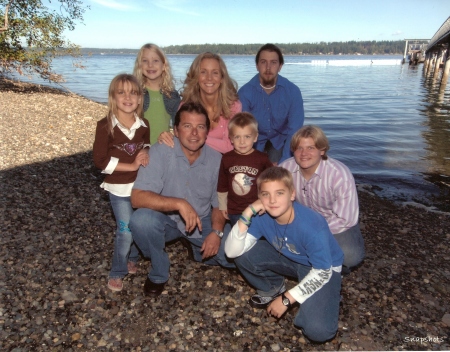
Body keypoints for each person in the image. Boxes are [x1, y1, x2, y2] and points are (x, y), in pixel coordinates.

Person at [225, 167, 344, 342]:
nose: (272, 200)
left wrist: (287, 299)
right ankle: (272, 287)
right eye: (265, 194)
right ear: (259, 197)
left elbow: (323, 271)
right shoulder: (260, 216)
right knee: (243, 253)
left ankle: (329, 294)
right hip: (288, 255)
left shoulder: (312, 226)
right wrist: (247, 213)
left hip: (323, 268)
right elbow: (231, 251)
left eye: (279, 193)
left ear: (292, 194)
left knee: (318, 331)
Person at [129, 102, 234, 297]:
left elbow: (220, 203)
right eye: (187, 126)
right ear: (176, 131)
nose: (194, 133)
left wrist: (217, 233)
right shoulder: (160, 151)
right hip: (166, 220)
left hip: (201, 221)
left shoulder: (217, 160)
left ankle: (195, 249)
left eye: (200, 127)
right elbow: (137, 198)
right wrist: (179, 204)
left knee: (233, 256)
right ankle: (159, 271)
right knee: (141, 221)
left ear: (206, 131)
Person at [279, 125, 365, 272]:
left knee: (351, 255)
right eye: (299, 148)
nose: (304, 153)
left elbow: (346, 219)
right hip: (300, 220)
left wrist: (311, 233)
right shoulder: (284, 170)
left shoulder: (340, 174)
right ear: (292, 150)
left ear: (322, 150)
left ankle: (333, 267)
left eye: (311, 148)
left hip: (334, 223)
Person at [93, 74, 150, 292]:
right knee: (125, 230)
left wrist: (145, 151)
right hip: (118, 187)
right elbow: (100, 161)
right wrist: (132, 166)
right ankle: (117, 271)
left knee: (136, 224)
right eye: (121, 92)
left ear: (139, 98)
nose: (128, 97)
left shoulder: (144, 124)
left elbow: (146, 145)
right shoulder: (105, 126)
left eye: (133, 92)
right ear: (113, 97)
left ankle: (132, 257)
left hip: (140, 187)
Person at [158, 52, 241, 154]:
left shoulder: (233, 106)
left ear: (222, 78)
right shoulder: (186, 106)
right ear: (196, 77)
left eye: (215, 72)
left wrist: (196, 138)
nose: (209, 77)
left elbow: (230, 146)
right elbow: (179, 138)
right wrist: (167, 136)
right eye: (203, 72)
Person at [238, 43, 305, 164]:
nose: (268, 67)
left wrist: (283, 163)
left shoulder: (293, 92)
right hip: (253, 142)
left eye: (273, 62)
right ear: (257, 65)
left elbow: (294, 131)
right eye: (263, 62)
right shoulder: (245, 93)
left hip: (281, 142)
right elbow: (243, 130)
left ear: (280, 66)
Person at [217, 112, 272, 226]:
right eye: (237, 137)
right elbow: (222, 185)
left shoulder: (262, 159)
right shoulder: (227, 158)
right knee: (239, 238)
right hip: (235, 210)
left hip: (258, 208)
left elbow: (272, 183)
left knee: (258, 238)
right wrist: (223, 206)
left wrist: (266, 202)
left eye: (247, 136)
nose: (242, 142)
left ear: (255, 137)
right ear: (231, 138)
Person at [133, 43, 180, 145]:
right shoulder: (135, 93)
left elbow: (179, 126)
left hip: (163, 147)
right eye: (145, 61)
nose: (150, 65)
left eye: (155, 60)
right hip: (139, 148)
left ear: (163, 65)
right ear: (140, 66)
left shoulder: (172, 95)